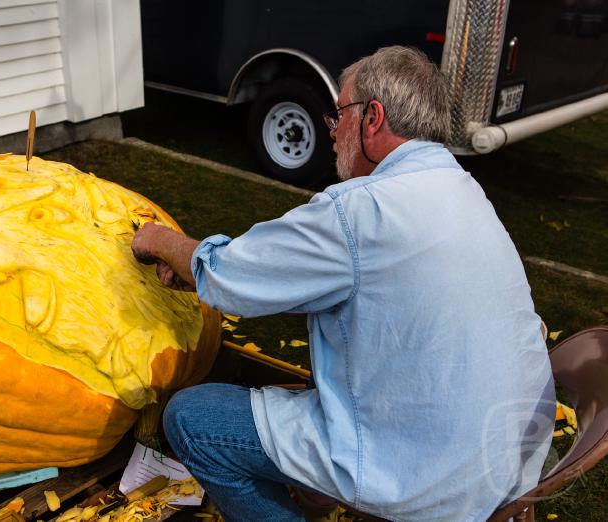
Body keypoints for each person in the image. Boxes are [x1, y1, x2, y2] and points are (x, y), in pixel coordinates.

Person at [131, 46, 554, 522]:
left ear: (372, 118)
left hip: (426, 476)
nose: (332, 132)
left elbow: (232, 273)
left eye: (338, 116)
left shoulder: (359, 209)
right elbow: (371, 294)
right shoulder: (463, 189)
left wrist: (162, 241)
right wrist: (214, 281)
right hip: (503, 463)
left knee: (192, 420)